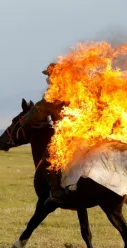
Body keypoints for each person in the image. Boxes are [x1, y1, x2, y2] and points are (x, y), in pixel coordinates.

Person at [41, 63, 72, 203]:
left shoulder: (55, 91)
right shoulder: (75, 85)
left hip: (67, 131)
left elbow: (43, 110)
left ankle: (56, 192)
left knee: (49, 157)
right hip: (84, 127)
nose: (48, 78)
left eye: (49, 75)